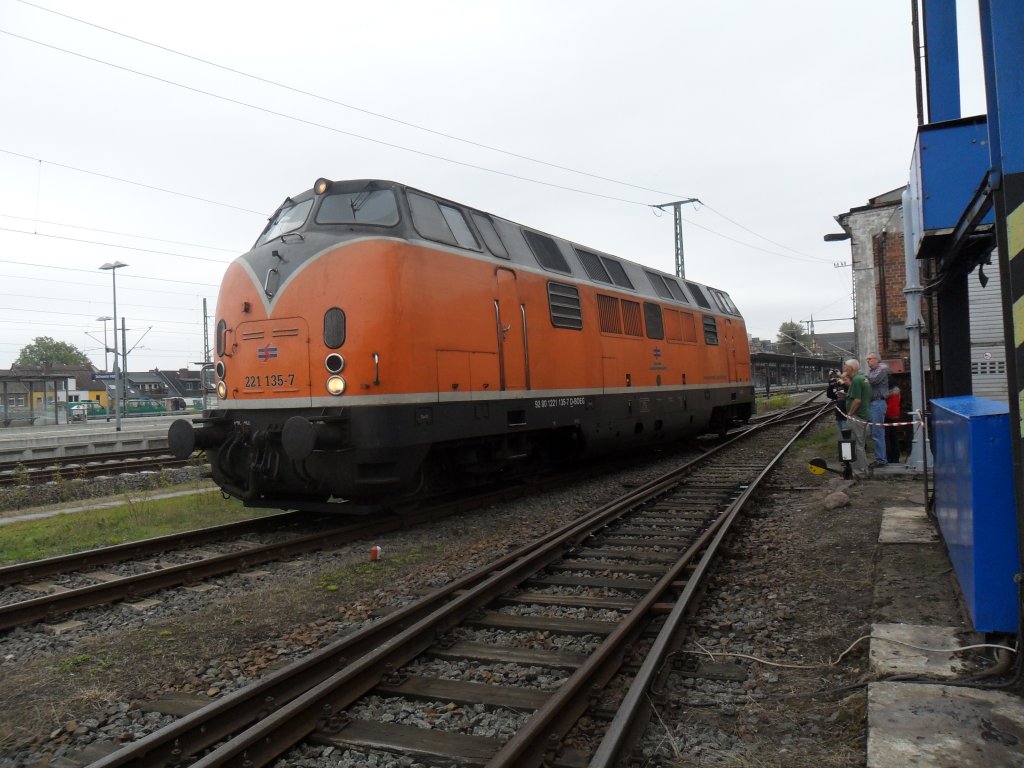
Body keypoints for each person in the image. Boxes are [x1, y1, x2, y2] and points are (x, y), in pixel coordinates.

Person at [844, 358, 871, 478]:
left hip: (858, 416)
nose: (845, 369)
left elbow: (857, 400)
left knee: (858, 444)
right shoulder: (862, 379)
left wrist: (850, 413)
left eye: (846, 367)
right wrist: (846, 395)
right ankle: (863, 468)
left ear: (852, 368)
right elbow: (858, 396)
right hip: (863, 415)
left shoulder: (856, 380)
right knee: (860, 443)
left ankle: (861, 471)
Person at [865, 352, 889, 466]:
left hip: (878, 402)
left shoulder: (881, 369)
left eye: (869, 359)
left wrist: (862, 377)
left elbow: (873, 380)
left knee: (877, 432)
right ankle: (879, 458)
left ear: (876, 359)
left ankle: (881, 460)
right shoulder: (872, 371)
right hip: (873, 403)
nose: (867, 361)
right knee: (875, 433)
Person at [826, 369, 849, 433]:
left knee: (847, 436)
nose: (839, 380)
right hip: (839, 415)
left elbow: (849, 392)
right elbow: (830, 395)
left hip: (846, 416)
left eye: (843, 379)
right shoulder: (839, 387)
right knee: (841, 436)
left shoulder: (848, 387)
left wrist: (841, 378)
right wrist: (831, 386)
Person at [885, 385, 902, 463]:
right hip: (895, 415)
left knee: (887, 437)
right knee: (894, 437)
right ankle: (896, 457)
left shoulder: (887, 392)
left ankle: (889, 457)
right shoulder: (897, 391)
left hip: (887, 415)